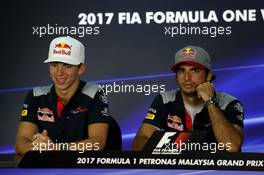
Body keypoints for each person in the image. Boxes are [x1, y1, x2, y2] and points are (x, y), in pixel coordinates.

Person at [15, 36, 121, 154]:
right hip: (47, 170)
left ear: (81, 68)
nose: (59, 72)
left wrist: (55, 148)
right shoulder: (36, 95)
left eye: (67, 65)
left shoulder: (94, 94)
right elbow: (21, 143)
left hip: (82, 170)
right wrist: (36, 147)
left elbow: (97, 143)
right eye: (54, 65)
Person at [133, 46, 244, 152]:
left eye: (194, 70)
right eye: (181, 71)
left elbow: (233, 147)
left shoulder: (229, 103)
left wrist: (210, 101)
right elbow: (140, 141)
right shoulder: (165, 100)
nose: (186, 77)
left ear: (208, 75)